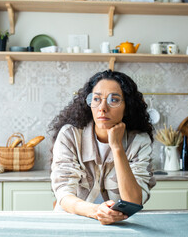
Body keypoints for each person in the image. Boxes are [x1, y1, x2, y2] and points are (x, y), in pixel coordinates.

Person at [49, 70, 156, 225]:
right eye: (97, 99)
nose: (102, 108)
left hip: (119, 225)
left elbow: (133, 201)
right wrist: (96, 211)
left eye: (114, 100)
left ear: (127, 106)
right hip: (73, 222)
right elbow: (64, 195)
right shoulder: (70, 135)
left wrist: (117, 147)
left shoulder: (139, 141)